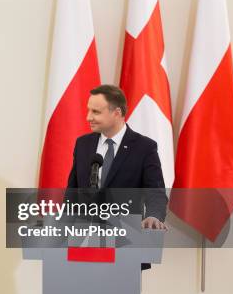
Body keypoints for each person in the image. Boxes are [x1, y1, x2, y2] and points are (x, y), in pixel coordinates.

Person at [67, 84, 168, 230]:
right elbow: (72, 194)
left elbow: (156, 194)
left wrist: (153, 216)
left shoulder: (144, 147)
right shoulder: (83, 144)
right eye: (89, 110)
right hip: (84, 237)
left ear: (117, 112)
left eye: (96, 112)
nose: (88, 117)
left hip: (126, 238)